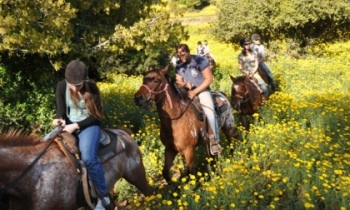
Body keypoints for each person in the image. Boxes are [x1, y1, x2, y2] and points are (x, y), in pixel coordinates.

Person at [51, 60, 111, 210]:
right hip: (70, 124)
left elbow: (96, 116)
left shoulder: (92, 88)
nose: (75, 88)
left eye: (78, 85)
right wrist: (60, 120)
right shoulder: (61, 86)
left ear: (85, 80)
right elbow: (61, 110)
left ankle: (104, 196)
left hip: (89, 125)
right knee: (45, 143)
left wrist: (76, 126)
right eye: (72, 85)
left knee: (88, 158)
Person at [175, 43, 221, 155]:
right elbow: (178, 80)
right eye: (179, 55)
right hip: (186, 93)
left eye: (183, 54)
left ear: (188, 51)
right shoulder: (179, 64)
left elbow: (209, 79)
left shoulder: (200, 61)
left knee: (209, 111)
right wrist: (185, 85)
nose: (181, 57)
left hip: (202, 91)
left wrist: (195, 91)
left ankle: (214, 140)